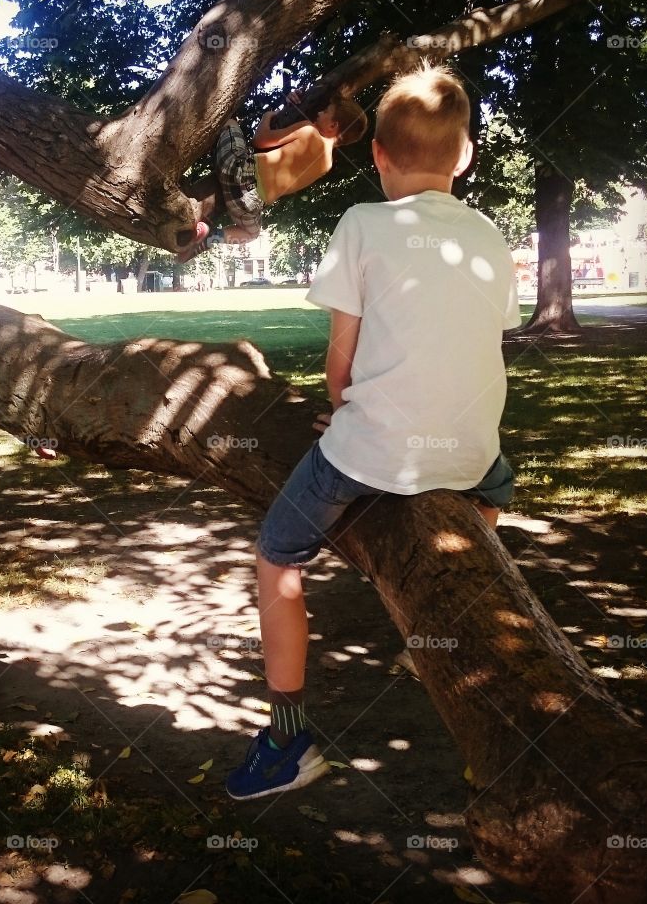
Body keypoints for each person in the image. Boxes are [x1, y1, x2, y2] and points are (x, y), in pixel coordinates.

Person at [225, 63, 521, 801]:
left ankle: (288, 739)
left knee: (277, 557)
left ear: (379, 156)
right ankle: (441, 624)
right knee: (497, 482)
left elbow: (341, 360)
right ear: (467, 156)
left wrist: (346, 404)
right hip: (473, 448)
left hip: (372, 449)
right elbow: (482, 344)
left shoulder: (362, 224)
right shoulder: (487, 235)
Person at [177, 92, 368, 263]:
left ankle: (180, 156)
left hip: (236, 169)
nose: (319, 113)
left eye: (326, 111)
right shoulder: (326, 165)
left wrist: (267, 116)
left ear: (333, 125)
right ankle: (209, 238)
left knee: (229, 122)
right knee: (250, 234)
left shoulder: (308, 130)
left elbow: (260, 140)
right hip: (250, 202)